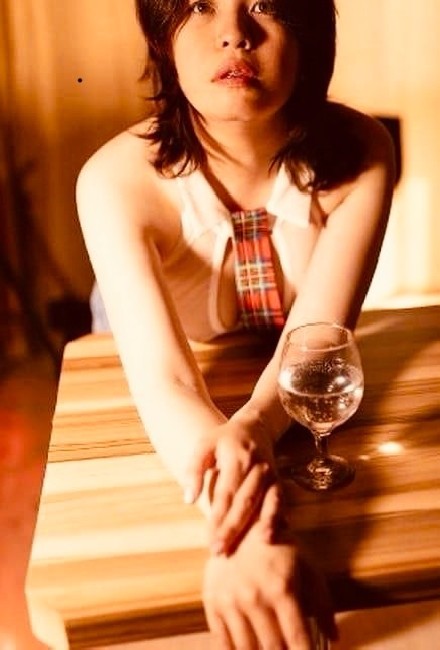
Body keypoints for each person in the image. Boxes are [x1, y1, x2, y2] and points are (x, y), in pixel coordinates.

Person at [76, 0, 395, 647]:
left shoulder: (364, 150)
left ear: (310, 32)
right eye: (200, 5)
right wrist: (248, 538)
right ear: (162, 37)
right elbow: (168, 384)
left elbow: (313, 348)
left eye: (265, 5)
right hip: (168, 354)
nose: (233, 34)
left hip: (287, 351)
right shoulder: (112, 180)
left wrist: (252, 427)